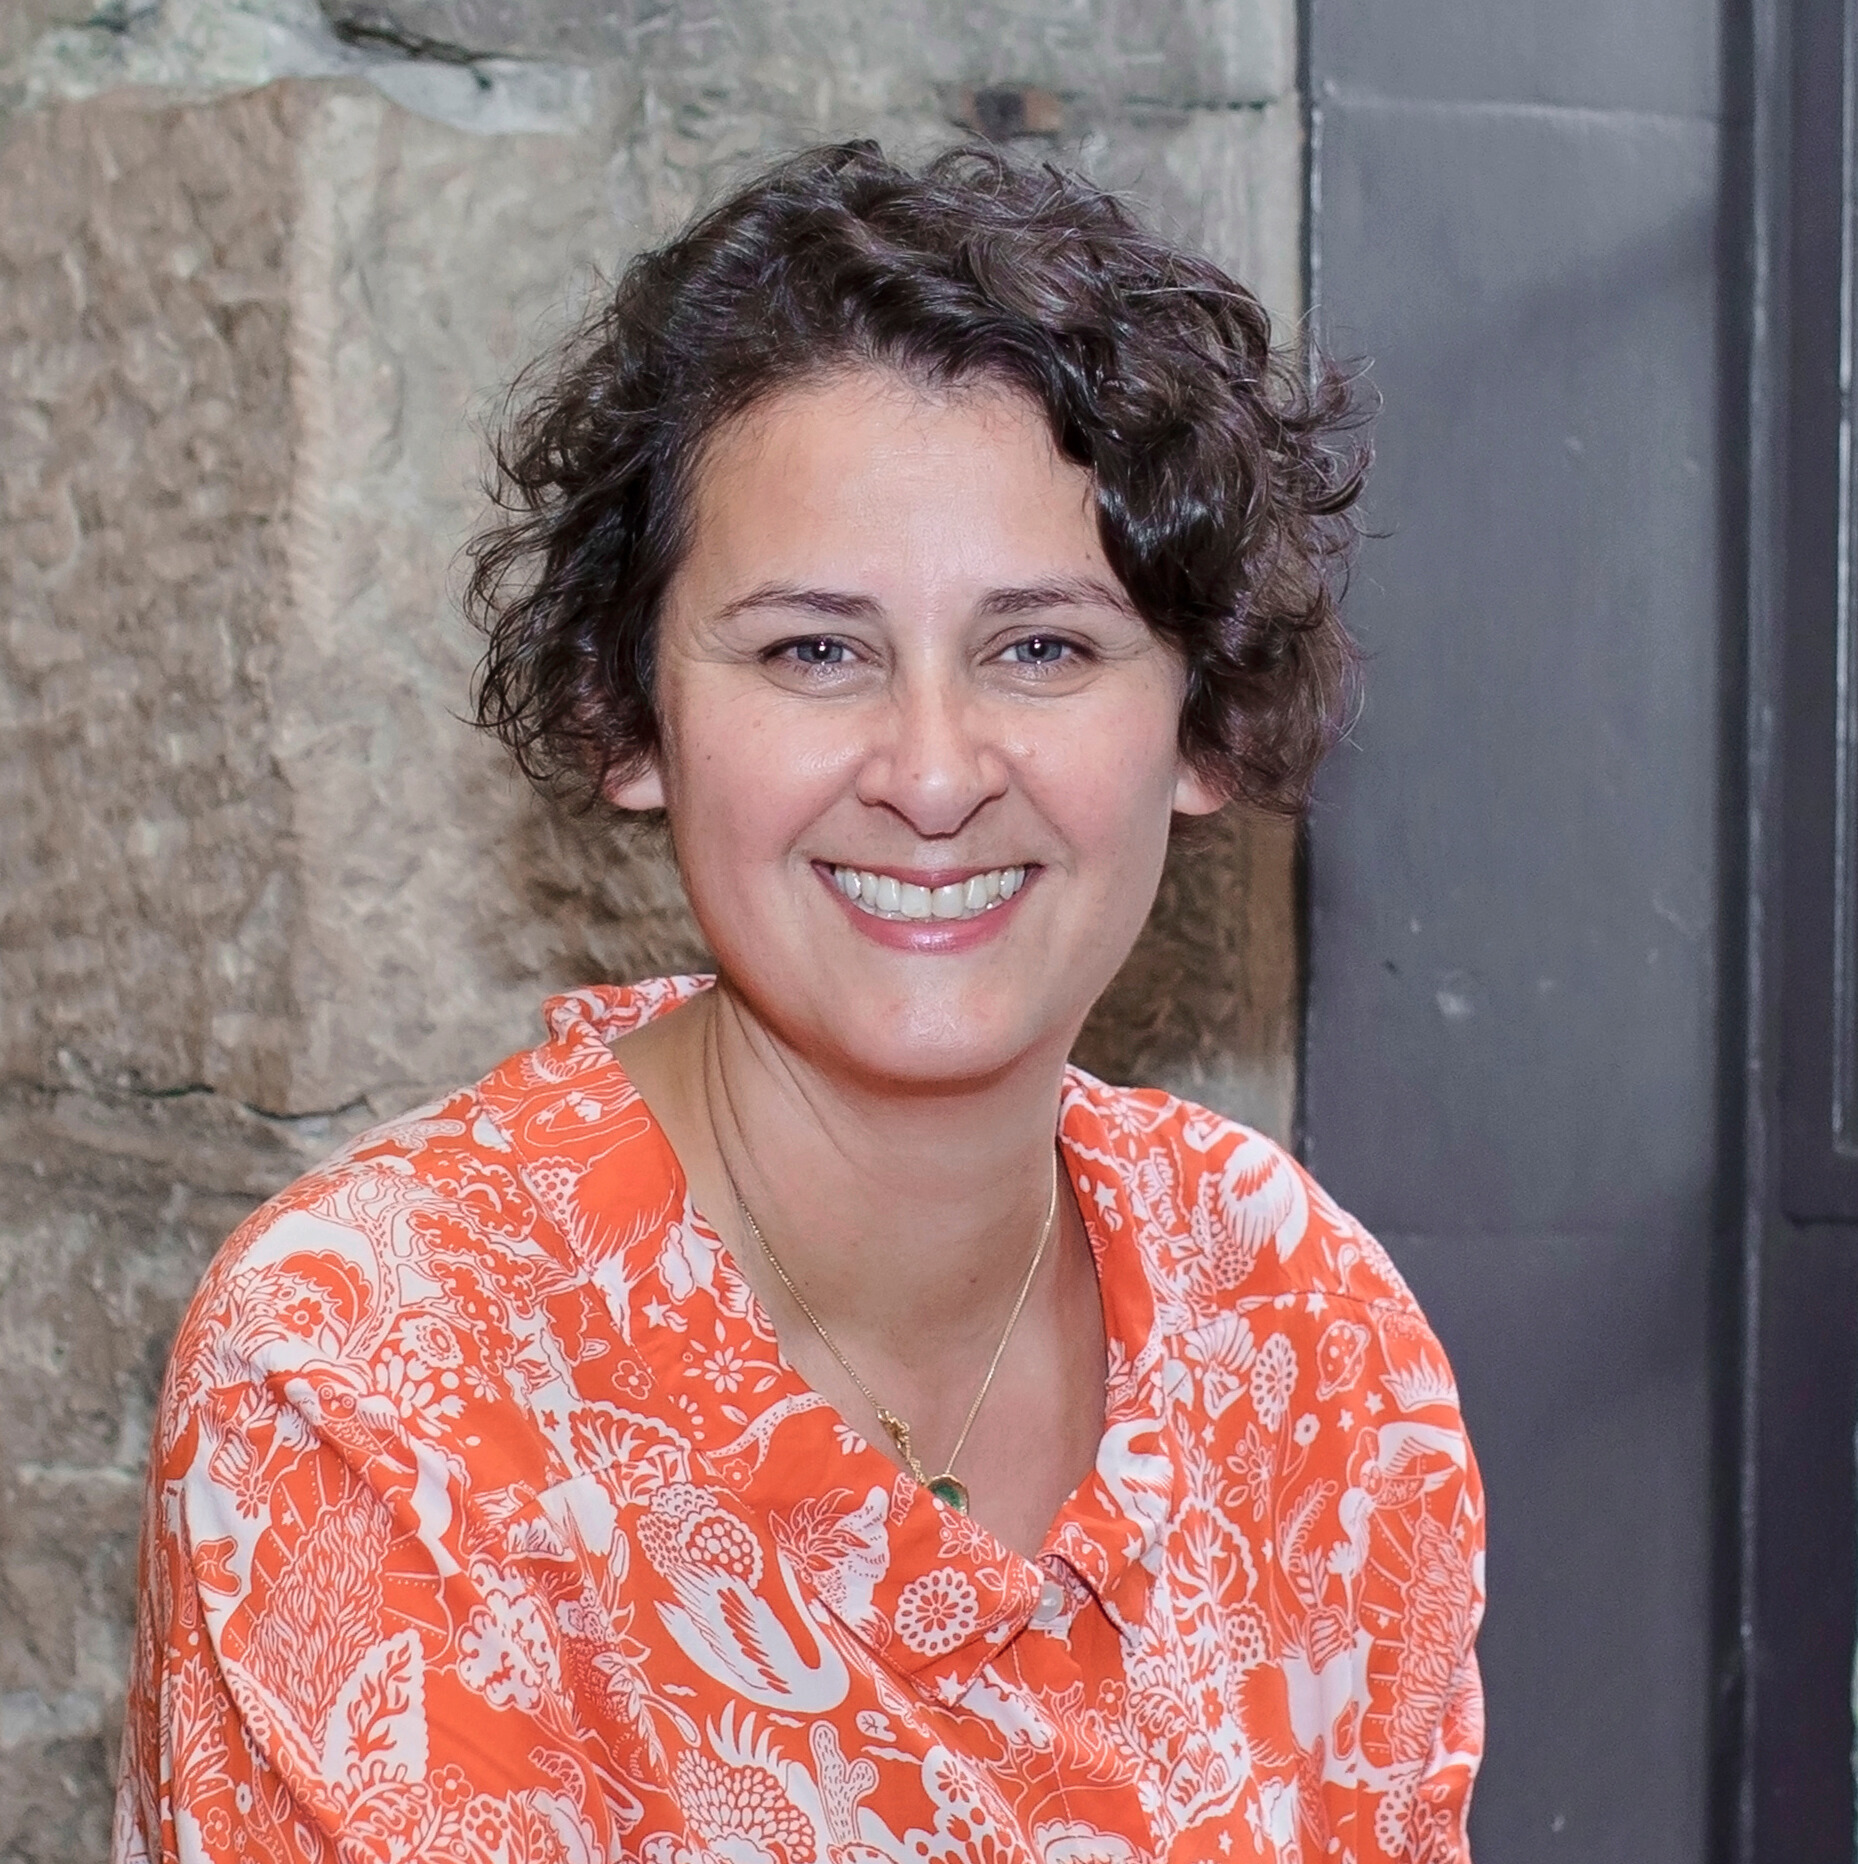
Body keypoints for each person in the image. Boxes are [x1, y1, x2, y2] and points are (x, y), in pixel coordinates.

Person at [115, 143, 1484, 1864]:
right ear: (627, 717)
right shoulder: (373, 1375)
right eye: (811, 651)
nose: (929, 773)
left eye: (1042, 648)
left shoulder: (1306, 1335)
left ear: (1202, 721)